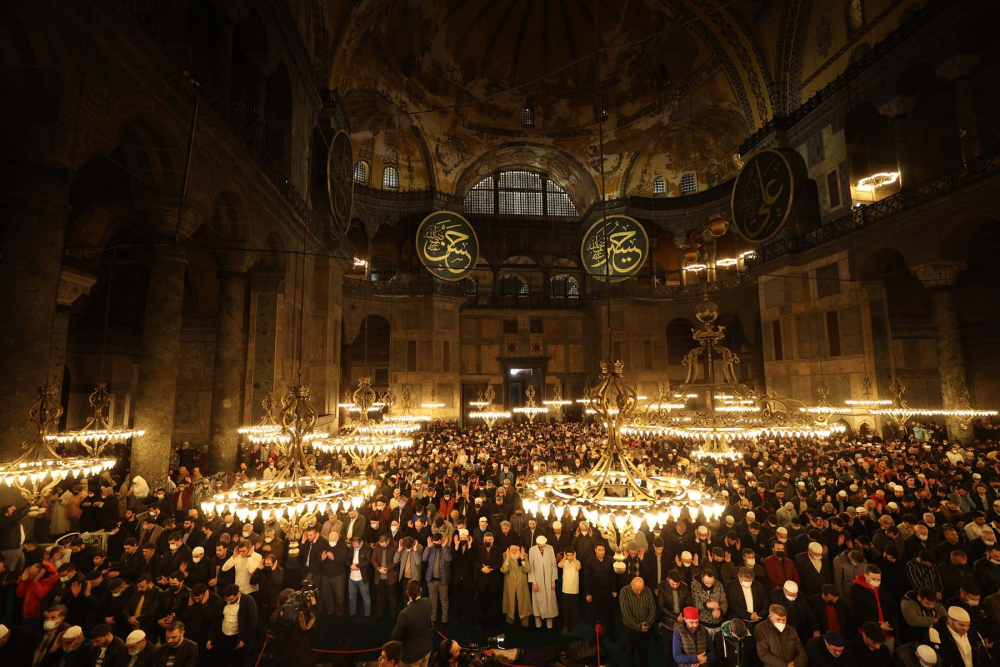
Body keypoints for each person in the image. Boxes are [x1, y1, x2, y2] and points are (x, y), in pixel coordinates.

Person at [207, 584, 258, 667]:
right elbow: (216, 620)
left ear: (238, 594)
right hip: (223, 636)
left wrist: (244, 640)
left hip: (238, 637)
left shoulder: (248, 601)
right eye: (227, 599)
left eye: (231, 599)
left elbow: (253, 622)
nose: (229, 602)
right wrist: (211, 638)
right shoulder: (224, 601)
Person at [391, 580, 433, 667]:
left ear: (407, 592)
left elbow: (395, 637)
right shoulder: (428, 602)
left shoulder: (404, 614)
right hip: (427, 648)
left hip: (412, 656)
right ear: (420, 590)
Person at [620, 577, 656, 667]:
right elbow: (626, 613)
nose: (639, 592)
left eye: (641, 590)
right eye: (637, 590)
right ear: (631, 585)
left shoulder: (647, 591)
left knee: (644, 653)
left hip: (646, 628)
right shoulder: (624, 592)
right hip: (631, 629)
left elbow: (653, 609)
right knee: (630, 652)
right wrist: (639, 626)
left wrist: (647, 624)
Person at [528, 535, 558, 629]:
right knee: (537, 599)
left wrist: (553, 580)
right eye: (541, 545)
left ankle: (549, 618)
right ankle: (537, 617)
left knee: (549, 598)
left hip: (549, 579)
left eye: (544, 545)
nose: (543, 547)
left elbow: (553, 564)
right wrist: (533, 582)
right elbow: (531, 567)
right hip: (537, 579)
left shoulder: (550, 548)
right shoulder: (532, 550)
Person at [422, 533, 451, 626]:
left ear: (441, 541)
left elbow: (448, 559)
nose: (437, 544)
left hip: (443, 581)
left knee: (444, 600)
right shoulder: (431, 548)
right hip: (431, 580)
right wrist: (428, 547)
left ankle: (444, 620)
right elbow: (424, 559)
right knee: (432, 600)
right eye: (436, 542)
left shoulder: (446, 548)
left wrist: (444, 547)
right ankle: (433, 618)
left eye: (439, 542)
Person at [500, 544, 532, 627]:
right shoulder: (505, 555)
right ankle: (510, 621)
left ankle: (524, 622)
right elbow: (503, 570)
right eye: (512, 549)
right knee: (510, 602)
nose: (514, 551)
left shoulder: (524, 555)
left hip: (522, 583)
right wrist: (507, 558)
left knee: (523, 603)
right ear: (509, 549)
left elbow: (528, 569)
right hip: (510, 583)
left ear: (519, 549)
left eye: (516, 549)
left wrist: (522, 558)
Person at [558, 545, 582, 634]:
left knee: (574, 610)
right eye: (568, 555)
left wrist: (574, 558)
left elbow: (579, 567)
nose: (569, 557)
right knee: (566, 610)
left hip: (575, 590)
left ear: (574, 554)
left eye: (571, 555)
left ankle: (574, 626)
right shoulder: (564, 562)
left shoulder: (577, 561)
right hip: (565, 590)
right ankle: (566, 626)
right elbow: (559, 565)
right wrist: (564, 557)